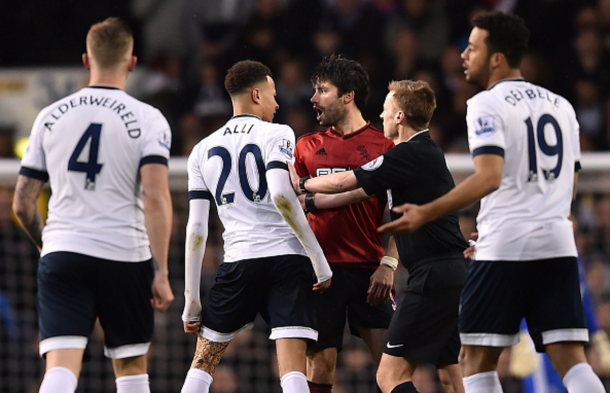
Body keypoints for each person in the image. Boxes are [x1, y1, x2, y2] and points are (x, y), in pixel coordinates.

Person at [377, 11, 605, 393]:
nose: (464, 54)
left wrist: (427, 211)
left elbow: (488, 176)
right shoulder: (561, 105)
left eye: (473, 47)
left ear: (496, 57)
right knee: (572, 361)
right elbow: (572, 177)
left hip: (507, 244)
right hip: (557, 243)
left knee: (475, 361)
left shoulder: (486, 104)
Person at [12, 17, 174, 393]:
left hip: (64, 251)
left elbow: (22, 202)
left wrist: (47, 245)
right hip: (124, 256)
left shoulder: (49, 116)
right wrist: (161, 271)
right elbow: (155, 196)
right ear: (131, 62)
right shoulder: (149, 119)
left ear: (87, 60)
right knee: (132, 369)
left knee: (60, 369)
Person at [289, 79, 467, 393]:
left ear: (400, 117)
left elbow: (347, 181)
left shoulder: (406, 154)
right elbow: (359, 192)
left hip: (430, 276)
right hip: (450, 271)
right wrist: (315, 202)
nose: (381, 116)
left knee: (390, 376)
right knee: (449, 373)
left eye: (386, 111)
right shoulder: (421, 154)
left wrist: (303, 185)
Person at [180, 60, 332, 393]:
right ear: (256, 93)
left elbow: (196, 230)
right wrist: (319, 261)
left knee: (202, 366)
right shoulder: (278, 133)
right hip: (287, 260)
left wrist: (192, 300)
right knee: (292, 370)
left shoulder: (200, 150)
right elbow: (281, 194)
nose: (278, 104)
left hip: (238, 261)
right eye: (274, 95)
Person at [293, 54, 396, 393]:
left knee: (392, 366)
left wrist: (389, 264)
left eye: (322, 90)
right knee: (321, 364)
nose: (313, 98)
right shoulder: (306, 146)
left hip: (370, 272)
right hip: (321, 273)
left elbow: (398, 213)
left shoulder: (384, 146)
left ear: (348, 95)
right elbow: (290, 204)